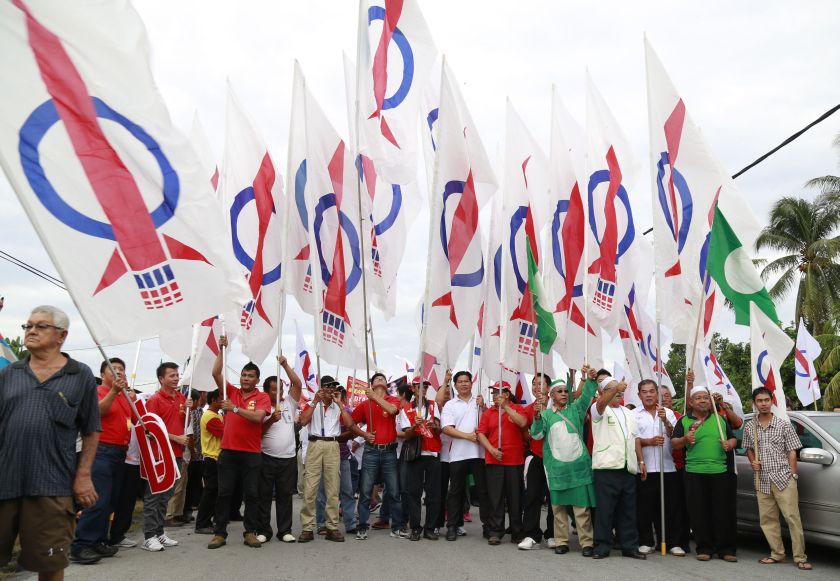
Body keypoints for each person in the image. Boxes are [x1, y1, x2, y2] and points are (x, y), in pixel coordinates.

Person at [0, 306, 100, 579]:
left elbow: (91, 430)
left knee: (51, 564)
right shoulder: (9, 374)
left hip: (52, 486)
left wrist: (83, 476)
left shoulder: (79, 375)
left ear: (61, 336)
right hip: (5, 483)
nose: (31, 331)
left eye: (40, 326)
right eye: (27, 326)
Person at [207, 336, 272, 549]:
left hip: (251, 454)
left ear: (256, 379)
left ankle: (250, 532)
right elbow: (215, 373)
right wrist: (222, 349)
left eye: (250, 376)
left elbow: (258, 418)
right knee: (224, 494)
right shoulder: (231, 392)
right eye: (243, 375)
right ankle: (219, 533)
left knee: (251, 494)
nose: (245, 378)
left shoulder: (262, 397)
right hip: (228, 452)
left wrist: (234, 409)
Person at [531, 369, 598, 556]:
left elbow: (587, 395)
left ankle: (587, 543)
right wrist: (536, 418)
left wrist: (588, 379)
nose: (563, 394)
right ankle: (561, 541)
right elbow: (536, 435)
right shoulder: (545, 415)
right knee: (558, 508)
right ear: (551, 395)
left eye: (565, 391)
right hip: (557, 469)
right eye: (559, 391)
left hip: (579, 468)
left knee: (581, 508)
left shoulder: (576, 409)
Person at [71, 358, 132, 562]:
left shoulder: (125, 396)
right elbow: (95, 413)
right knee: (97, 500)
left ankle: (97, 540)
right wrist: (114, 391)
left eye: (121, 370)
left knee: (110, 501)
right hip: (101, 451)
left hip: (119, 452)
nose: (118, 373)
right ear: (103, 374)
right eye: (113, 369)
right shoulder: (98, 391)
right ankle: (81, 546)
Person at [742, 387, 811, 570]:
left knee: (792, 518)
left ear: (771, 401)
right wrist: (752, 461)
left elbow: (792, 451)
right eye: (759, 401)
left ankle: (799, 557)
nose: (763, 404)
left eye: (766, 400)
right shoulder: (751, 427)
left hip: (783, 477)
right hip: (761, 479)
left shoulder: (783, 424)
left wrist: (793, 474)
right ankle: (777, 554)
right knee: (767, 519)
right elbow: (748, 448)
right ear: (754, 403)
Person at [671, 386, 738, 562]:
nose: (702, 400)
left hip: (720, 472)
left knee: (722, 511)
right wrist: (685, 439)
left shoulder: (720, 419)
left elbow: (733, 438)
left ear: (710, 402)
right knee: (699, 512)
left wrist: (730, 444)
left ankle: (726, 549)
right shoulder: (684, 421)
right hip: (694, 472)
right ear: (691, 402)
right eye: (698, 398)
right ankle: (704, 548)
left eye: (705, 398)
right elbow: (674, 443)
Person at [298, 376, 366, 542]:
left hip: (333, 445)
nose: (330, 390)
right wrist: (315, 401)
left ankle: (331, 527)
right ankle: (307, 528)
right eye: (327, 387)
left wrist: (341, 404)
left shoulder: (337, 406)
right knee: (311, 488)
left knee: (333, 489)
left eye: (333, 387)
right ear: (321, 388)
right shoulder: (313, 404)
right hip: (315, 443)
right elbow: (303, 421)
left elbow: (350, 425)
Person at [590, 373, 646, 560]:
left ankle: (629, 546)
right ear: (602, 392)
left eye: (620, 389)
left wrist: (640, 461)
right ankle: (601, 546)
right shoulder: (598, 410)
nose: (619, 392)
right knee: (605, 510)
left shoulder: (629, 413)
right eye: (613, 389)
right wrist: (615, 387)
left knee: (628, 511)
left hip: (628, 468)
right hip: (606, 468)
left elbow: (635, 438)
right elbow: (600, 405)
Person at [351, 372, 404, 540]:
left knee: (394, 492)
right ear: (371, 384)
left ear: (386, 385)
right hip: (371, 451)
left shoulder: (392, 400)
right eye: (376, 379)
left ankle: (397, 527)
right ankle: (362, 526)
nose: (380, 380)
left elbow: (393, 410)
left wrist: (374, 397)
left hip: (389, 452)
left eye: (382, 379)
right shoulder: (365, 405)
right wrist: (363, 434)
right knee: (366, 491)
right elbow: (350, 422)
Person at [633, 379, 683, 556]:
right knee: (645, 507)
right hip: (645, 467)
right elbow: (633, 440)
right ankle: (646, 541)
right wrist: (649, 442)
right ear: (639, 395)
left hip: (666, 466)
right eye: (644, 392)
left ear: (657, 394)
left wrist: (666, 421)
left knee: (670, 507)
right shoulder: (634, 414)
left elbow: (675, 437)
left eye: (651, 391)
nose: (648, 395)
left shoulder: (668, 412)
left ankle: (672, 542)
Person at [141, 362, 187, 552]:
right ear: (161, 379)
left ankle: (159, 532)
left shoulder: (181, 398)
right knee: (154, 496)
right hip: (159, 456)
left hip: (176, 454)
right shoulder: (154, 400)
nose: (176, 378)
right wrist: (176, 438)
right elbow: (151, 430)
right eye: (171, 375)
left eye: (177, 375)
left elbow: (182, 424)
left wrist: (186, 412)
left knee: (165, 496)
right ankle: (148, 536)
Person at [476, 380, 528, 546]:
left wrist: (505, 407)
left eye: (498, 392)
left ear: (506, 394)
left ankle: (516, 530)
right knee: (495, 497)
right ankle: (495, 531)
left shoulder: (518, 408)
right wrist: (491, 449)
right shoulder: (488, 412)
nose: (494, 395)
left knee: (515, 498)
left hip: (514, 460)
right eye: (493, 392)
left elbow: (523, 423)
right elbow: (481, 433)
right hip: (494, 459)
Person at [257, 357, 302, 543]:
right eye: (275, 390)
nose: (280, 393)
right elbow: (257, 433)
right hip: (266, 457)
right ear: (267, 391)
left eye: (282, 389)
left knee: (285, 495)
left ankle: (285, 530)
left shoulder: (289, 404)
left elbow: (297, 383)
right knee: (264, 495)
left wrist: (284, 365)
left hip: (288, 457)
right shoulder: (261, 408)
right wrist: (270, 420)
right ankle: (263, 531)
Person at [441, 370, 489, 542]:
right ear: (455, 385)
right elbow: (446, 428)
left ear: (471, 383)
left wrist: (484, 406)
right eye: (460, 381)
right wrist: (467, 436)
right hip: (458, 455)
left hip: (479, 454)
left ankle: (488, 527)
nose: (463, 384)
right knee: (456, 492)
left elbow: (491, 421)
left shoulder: (480, 402)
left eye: (466, 381)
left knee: (483, 492)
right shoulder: (450, 405)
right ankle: (452, 526)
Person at [400, 377, 443, 541]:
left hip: (432, 454)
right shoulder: (405, 409)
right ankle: (416, 528)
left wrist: (435, 427)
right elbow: (406, 434)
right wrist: (415, 426)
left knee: (433, 494)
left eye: (425, 387)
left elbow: (440, 430)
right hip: (415, 455)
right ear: (413, 389)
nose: (423, 389)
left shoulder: (433, 405)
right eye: (420, 386)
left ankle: (430, 528)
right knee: (414, 493)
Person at [519, 372, 555, 550]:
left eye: (541, 383)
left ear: (549, 388)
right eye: (534, 383)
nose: (536, 387)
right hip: (536, 456)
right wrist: (536, 414)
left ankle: (552, 534)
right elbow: (525, 429)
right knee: (532, 496)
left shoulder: (558, 405)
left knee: (554, 497)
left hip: (555, 459)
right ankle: (531, 534)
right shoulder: (530, 407)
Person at [194, 390, 224, 534]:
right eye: (220, 399)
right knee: (210, 492)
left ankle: (211, 519)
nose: (223, 401)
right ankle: (202, 523)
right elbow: (223, 433)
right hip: (212, 458)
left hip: (217, 457)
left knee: (215, 492)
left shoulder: (217, 415)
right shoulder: (210, 416)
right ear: (213, 400)